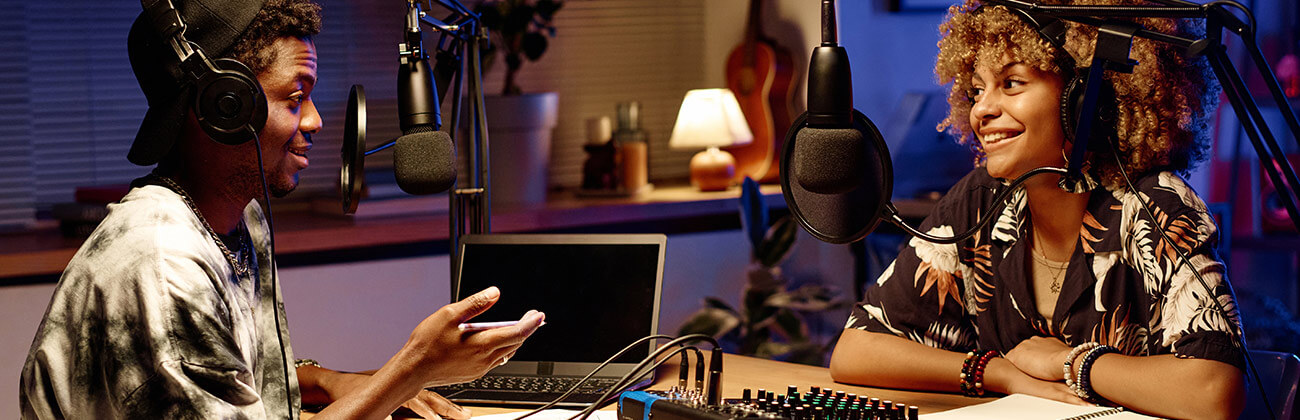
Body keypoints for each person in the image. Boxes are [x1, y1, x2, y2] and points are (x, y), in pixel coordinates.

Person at [19, 0, 544, 418]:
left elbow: (235, 376)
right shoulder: (161, 266)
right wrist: (412, 368)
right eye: (295, 98)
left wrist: (337, 382)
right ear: (226, 107)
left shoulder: (240, 220)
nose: (314, 122)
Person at [828, 0, 1246, 418]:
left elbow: (1214, 393)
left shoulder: (1157, 206)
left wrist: (1073, 362)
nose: (981, 110)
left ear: (1084, 100)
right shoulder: (980, 201)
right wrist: (1001, 373)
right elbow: (856, 350)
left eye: (1011, 83)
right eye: (976, 90)